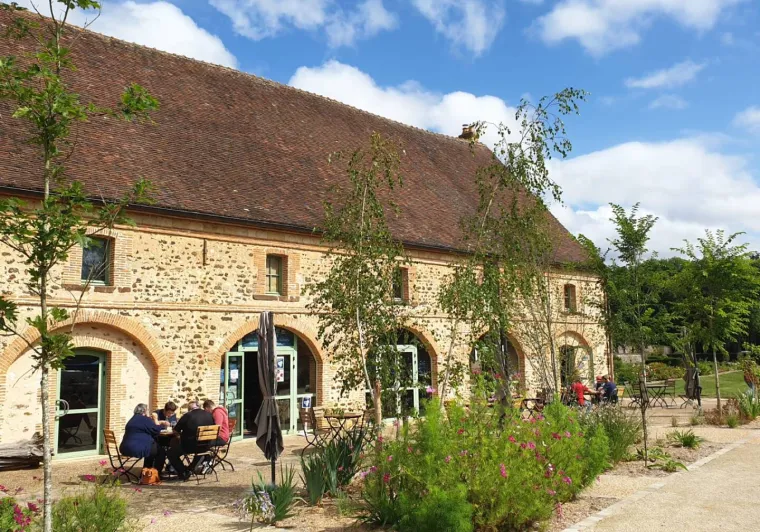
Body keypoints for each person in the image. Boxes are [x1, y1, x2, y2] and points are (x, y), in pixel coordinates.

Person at [166, 399, 214, 481]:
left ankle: (183, 472)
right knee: (198, 452)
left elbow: (175, 430)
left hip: (190, 447)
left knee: (170, 453)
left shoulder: (187, 416)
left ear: (190, 409)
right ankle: (190, 469)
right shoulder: (209, 415)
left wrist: (179, 437)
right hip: (206, 446)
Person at [120, 403, 164, 470]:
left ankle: (146, 470)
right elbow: (156, 430)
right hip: (137, 449)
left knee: (151, 448)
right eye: (147, 410)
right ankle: (156, 473)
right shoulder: (145, 419)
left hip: (125, 448)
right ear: (145, 411)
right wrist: (156, 419)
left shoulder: (132, 419)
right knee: (160, 451)